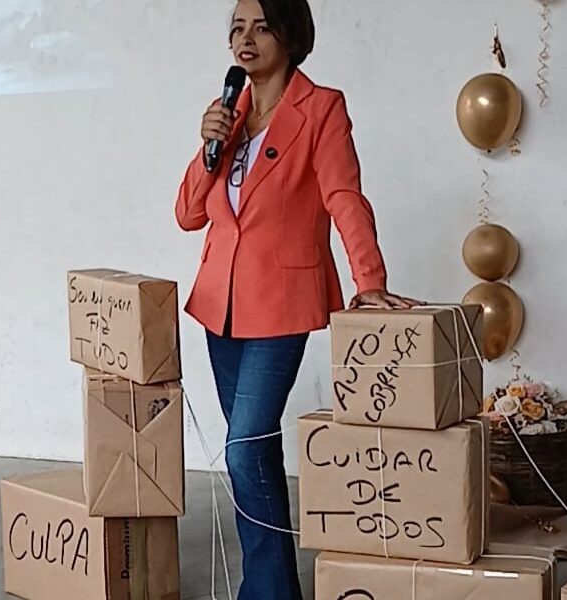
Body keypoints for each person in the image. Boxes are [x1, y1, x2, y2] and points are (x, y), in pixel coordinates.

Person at [175, 0, 423, 597]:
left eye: (262, 27)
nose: (246, 38)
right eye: (237, 27)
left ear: (290, 36)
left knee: (242, 452)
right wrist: (207, 146)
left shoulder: (321, 107)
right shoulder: (229, 114)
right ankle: (273, 588)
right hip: (219, 306)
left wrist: (369, 282)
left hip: (281, 304)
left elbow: (344, 197)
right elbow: (188, 215)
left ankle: (266, 592)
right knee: (254, 454)